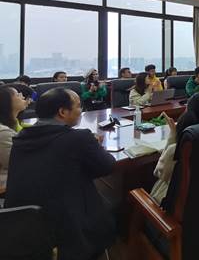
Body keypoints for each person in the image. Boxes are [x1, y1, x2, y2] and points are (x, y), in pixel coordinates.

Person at [5, 88, 116, 260]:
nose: (81, 110)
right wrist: (94, 145)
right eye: (78, 106)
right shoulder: (79, 138)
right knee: (109, 201)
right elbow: (108, 166)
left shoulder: (21, 138)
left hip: (21, 228)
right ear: (63, 112)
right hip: (68, 232)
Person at [151, 92, 199, 205]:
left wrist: (173, 137)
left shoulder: (177, 150)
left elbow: (158, 173)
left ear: (187, 111)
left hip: (171, 205)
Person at [0, 85, 28, 189]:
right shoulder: (3, 133)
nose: (22, 96)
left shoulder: (14, 122)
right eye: (17, 94)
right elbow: (19, 162)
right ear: (6, 102)